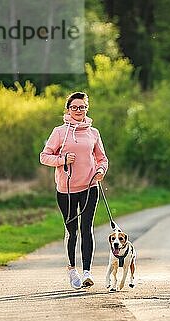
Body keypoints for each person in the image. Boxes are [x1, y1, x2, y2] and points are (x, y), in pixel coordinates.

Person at [39, 91, 109, 289]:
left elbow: (102, 158)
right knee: (72, 231)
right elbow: (44, 156)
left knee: (87, 229)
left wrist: (101, 170)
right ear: (68, 109)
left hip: (90, 187)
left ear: (87, 108)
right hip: (66, 189)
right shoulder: (59, 131)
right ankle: (72, 270)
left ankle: (87, 272)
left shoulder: (93, 133)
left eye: (82, 107)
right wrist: (62, 160)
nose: (78, 110)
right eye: (74, 107)